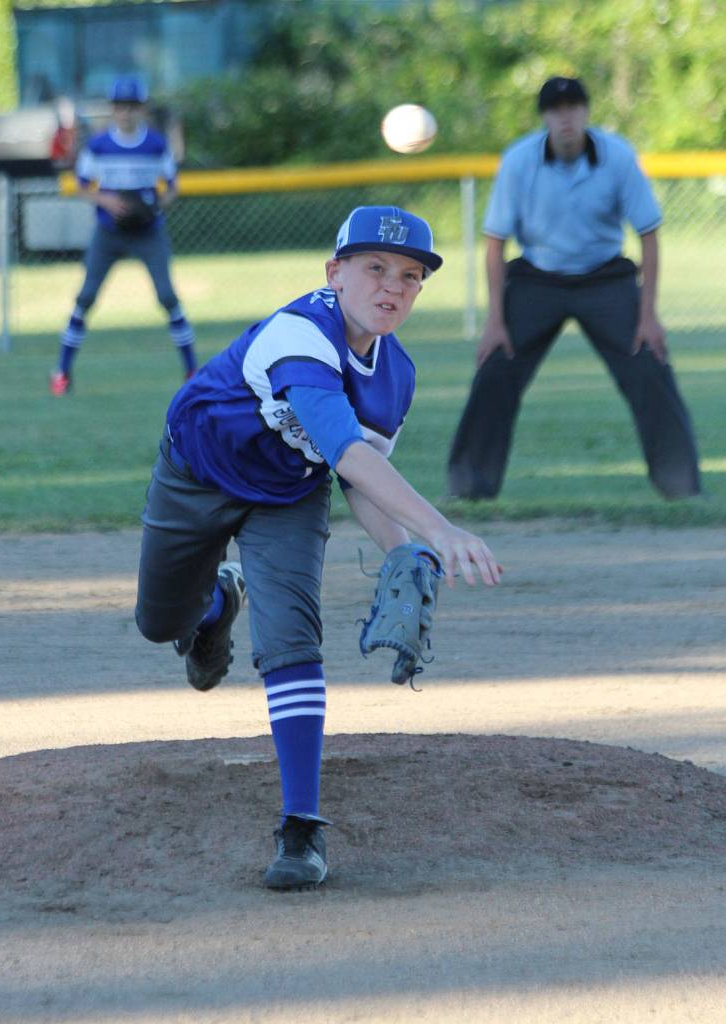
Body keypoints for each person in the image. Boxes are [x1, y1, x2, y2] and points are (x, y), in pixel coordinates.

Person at [134, 206, 502, 890]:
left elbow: (358, 482)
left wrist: (401, 552)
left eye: (409, 275)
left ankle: (300, 828)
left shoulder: (395, 376)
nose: (391, 286)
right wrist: (438, 531)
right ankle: (215, 605)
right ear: (334, 273)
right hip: (194, 474)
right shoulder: (300, 334)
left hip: (286, 494)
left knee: (292, 642)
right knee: (160, 624)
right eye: (373, 269)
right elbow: (344, 448)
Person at [447, 76, 701, 501]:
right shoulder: (518, 160)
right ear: (545, 116)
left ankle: (683, 489)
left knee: (649, 362)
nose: (565, 117)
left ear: (586, 112)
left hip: (605, 278)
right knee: (495, 366)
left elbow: (649, 235)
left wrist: (648, 316)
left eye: (573, 107)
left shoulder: (618, 156)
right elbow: (495, 245)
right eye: (555, 108)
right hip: (537, 278)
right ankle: (469, 489)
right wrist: (494, 322)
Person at [49, 74, 196, 396]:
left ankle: (191, 370)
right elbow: (81, 186)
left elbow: (172, 188)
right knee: (85, 297)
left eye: (132, 106)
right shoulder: (100, 145)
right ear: (112, 110)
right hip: (109, 231)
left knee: (168, 296)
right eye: (120, 106)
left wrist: (154, 204)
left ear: (142, 109)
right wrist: (107, 200)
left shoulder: (155, 143)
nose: (125, 113)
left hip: (147, 231)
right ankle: (61, 371)